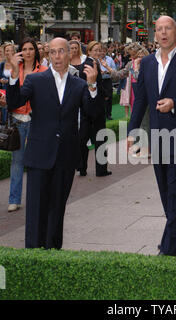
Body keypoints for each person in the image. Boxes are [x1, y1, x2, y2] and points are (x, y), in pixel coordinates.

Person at [6, 37, 100, 249]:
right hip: (40, 154)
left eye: (61, 52)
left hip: (66, 155)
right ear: (48, 55)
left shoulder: (79, 84)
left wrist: (93, 86)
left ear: (69, 54)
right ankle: (33, 251)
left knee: (57, 209)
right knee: (36, 209)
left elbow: (92, 113)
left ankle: (53, 252)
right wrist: (13, 76)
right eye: (53, 52)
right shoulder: (35, 80)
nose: (57, 56)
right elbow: (14, 102)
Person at [127, 16, 176, 256]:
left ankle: (169, 246)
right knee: (164, 189)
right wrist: (132, 131)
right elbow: (140, 99)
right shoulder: (147, 63)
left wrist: (174, 103)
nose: (163, 33)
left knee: (174, 189)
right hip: (156, 137)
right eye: (159, 29)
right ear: (154, 34)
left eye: (167, 28)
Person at [7, 38, 48, 213]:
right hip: (17, 119)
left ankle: (36, 197)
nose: (28, 52)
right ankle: (14, 199)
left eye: (31, 48)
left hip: (35, 120)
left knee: (36, 161)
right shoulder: (16, 69)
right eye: (24, 49)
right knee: (17, 161)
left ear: (36, 51)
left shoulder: (44, 71)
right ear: (20, 51)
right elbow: (11, 95)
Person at [77, 40, 111, 177]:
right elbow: (89, 85)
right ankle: (100, 169)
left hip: (88, 106)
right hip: (93, 106)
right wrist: (104, 95)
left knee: (84, 138)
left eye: (100, 50)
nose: (98, 52)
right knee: (99, 138)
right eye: (95, 50)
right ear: (89, 51)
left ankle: (82, 167)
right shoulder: (89, 65)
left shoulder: (92, 63)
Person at [99, 45, 116, 120]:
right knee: (99, 98)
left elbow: (114, 70)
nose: (102, 52)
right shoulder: (96, 59)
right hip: (99, 80)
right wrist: (100, 73)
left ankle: (108, 114)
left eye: (104, 51)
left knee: (109, 97)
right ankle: (100, 114)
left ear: (106, 51)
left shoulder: (109, 59)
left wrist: (108, 71)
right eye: (101, 51)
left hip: (107, 80)